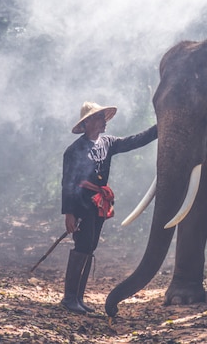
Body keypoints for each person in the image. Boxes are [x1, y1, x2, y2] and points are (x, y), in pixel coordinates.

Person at [60, 101, 157, 314]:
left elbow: (134, 141)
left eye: (104, 117)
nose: (104, 121)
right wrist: (69, 213)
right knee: (83, 246)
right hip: (81, 204)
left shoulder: (108, 142)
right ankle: (69, 299)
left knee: (91, 246)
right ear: (87, 123)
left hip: (99, 203)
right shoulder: (74, 151)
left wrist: (158, 129)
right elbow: (67, 184)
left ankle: (78, 298)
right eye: (99, 118)